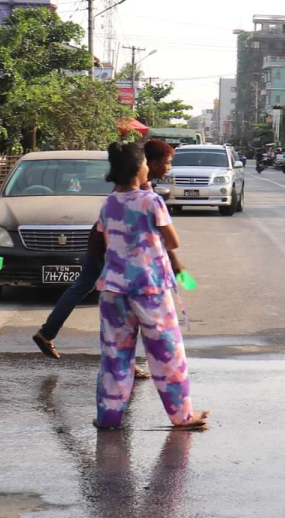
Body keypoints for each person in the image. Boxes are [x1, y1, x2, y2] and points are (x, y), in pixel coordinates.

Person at [33, 139, 177, 371]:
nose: (168, 168)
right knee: (124, 306)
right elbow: (166, 239)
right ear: (146, 163)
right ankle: (125, 363)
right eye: (166, 163)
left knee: (86, 288)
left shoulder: (134, 186)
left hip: (106, 248)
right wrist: (175, 263)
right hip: (111, 252)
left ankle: (47, 332)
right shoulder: (141, 190)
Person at [94, 141, 208, 430]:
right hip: (149, 289)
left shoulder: (108, 203)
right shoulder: (151, 201)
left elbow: (105, 239)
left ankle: (108, 416)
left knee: (115, 355)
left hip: (113, 289)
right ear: (137, 168)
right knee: (166, 353)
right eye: (145, 162)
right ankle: (182, 416)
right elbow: (173, 241)